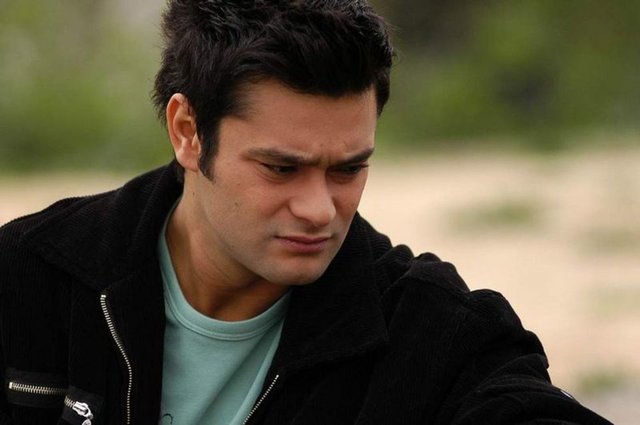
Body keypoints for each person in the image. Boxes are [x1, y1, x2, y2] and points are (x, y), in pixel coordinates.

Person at [0, 1, 611, 424]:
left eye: (348, 169)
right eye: (280, 168)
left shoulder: (432, 331)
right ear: (187, 131)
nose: (320, 211)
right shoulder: (27, 277)